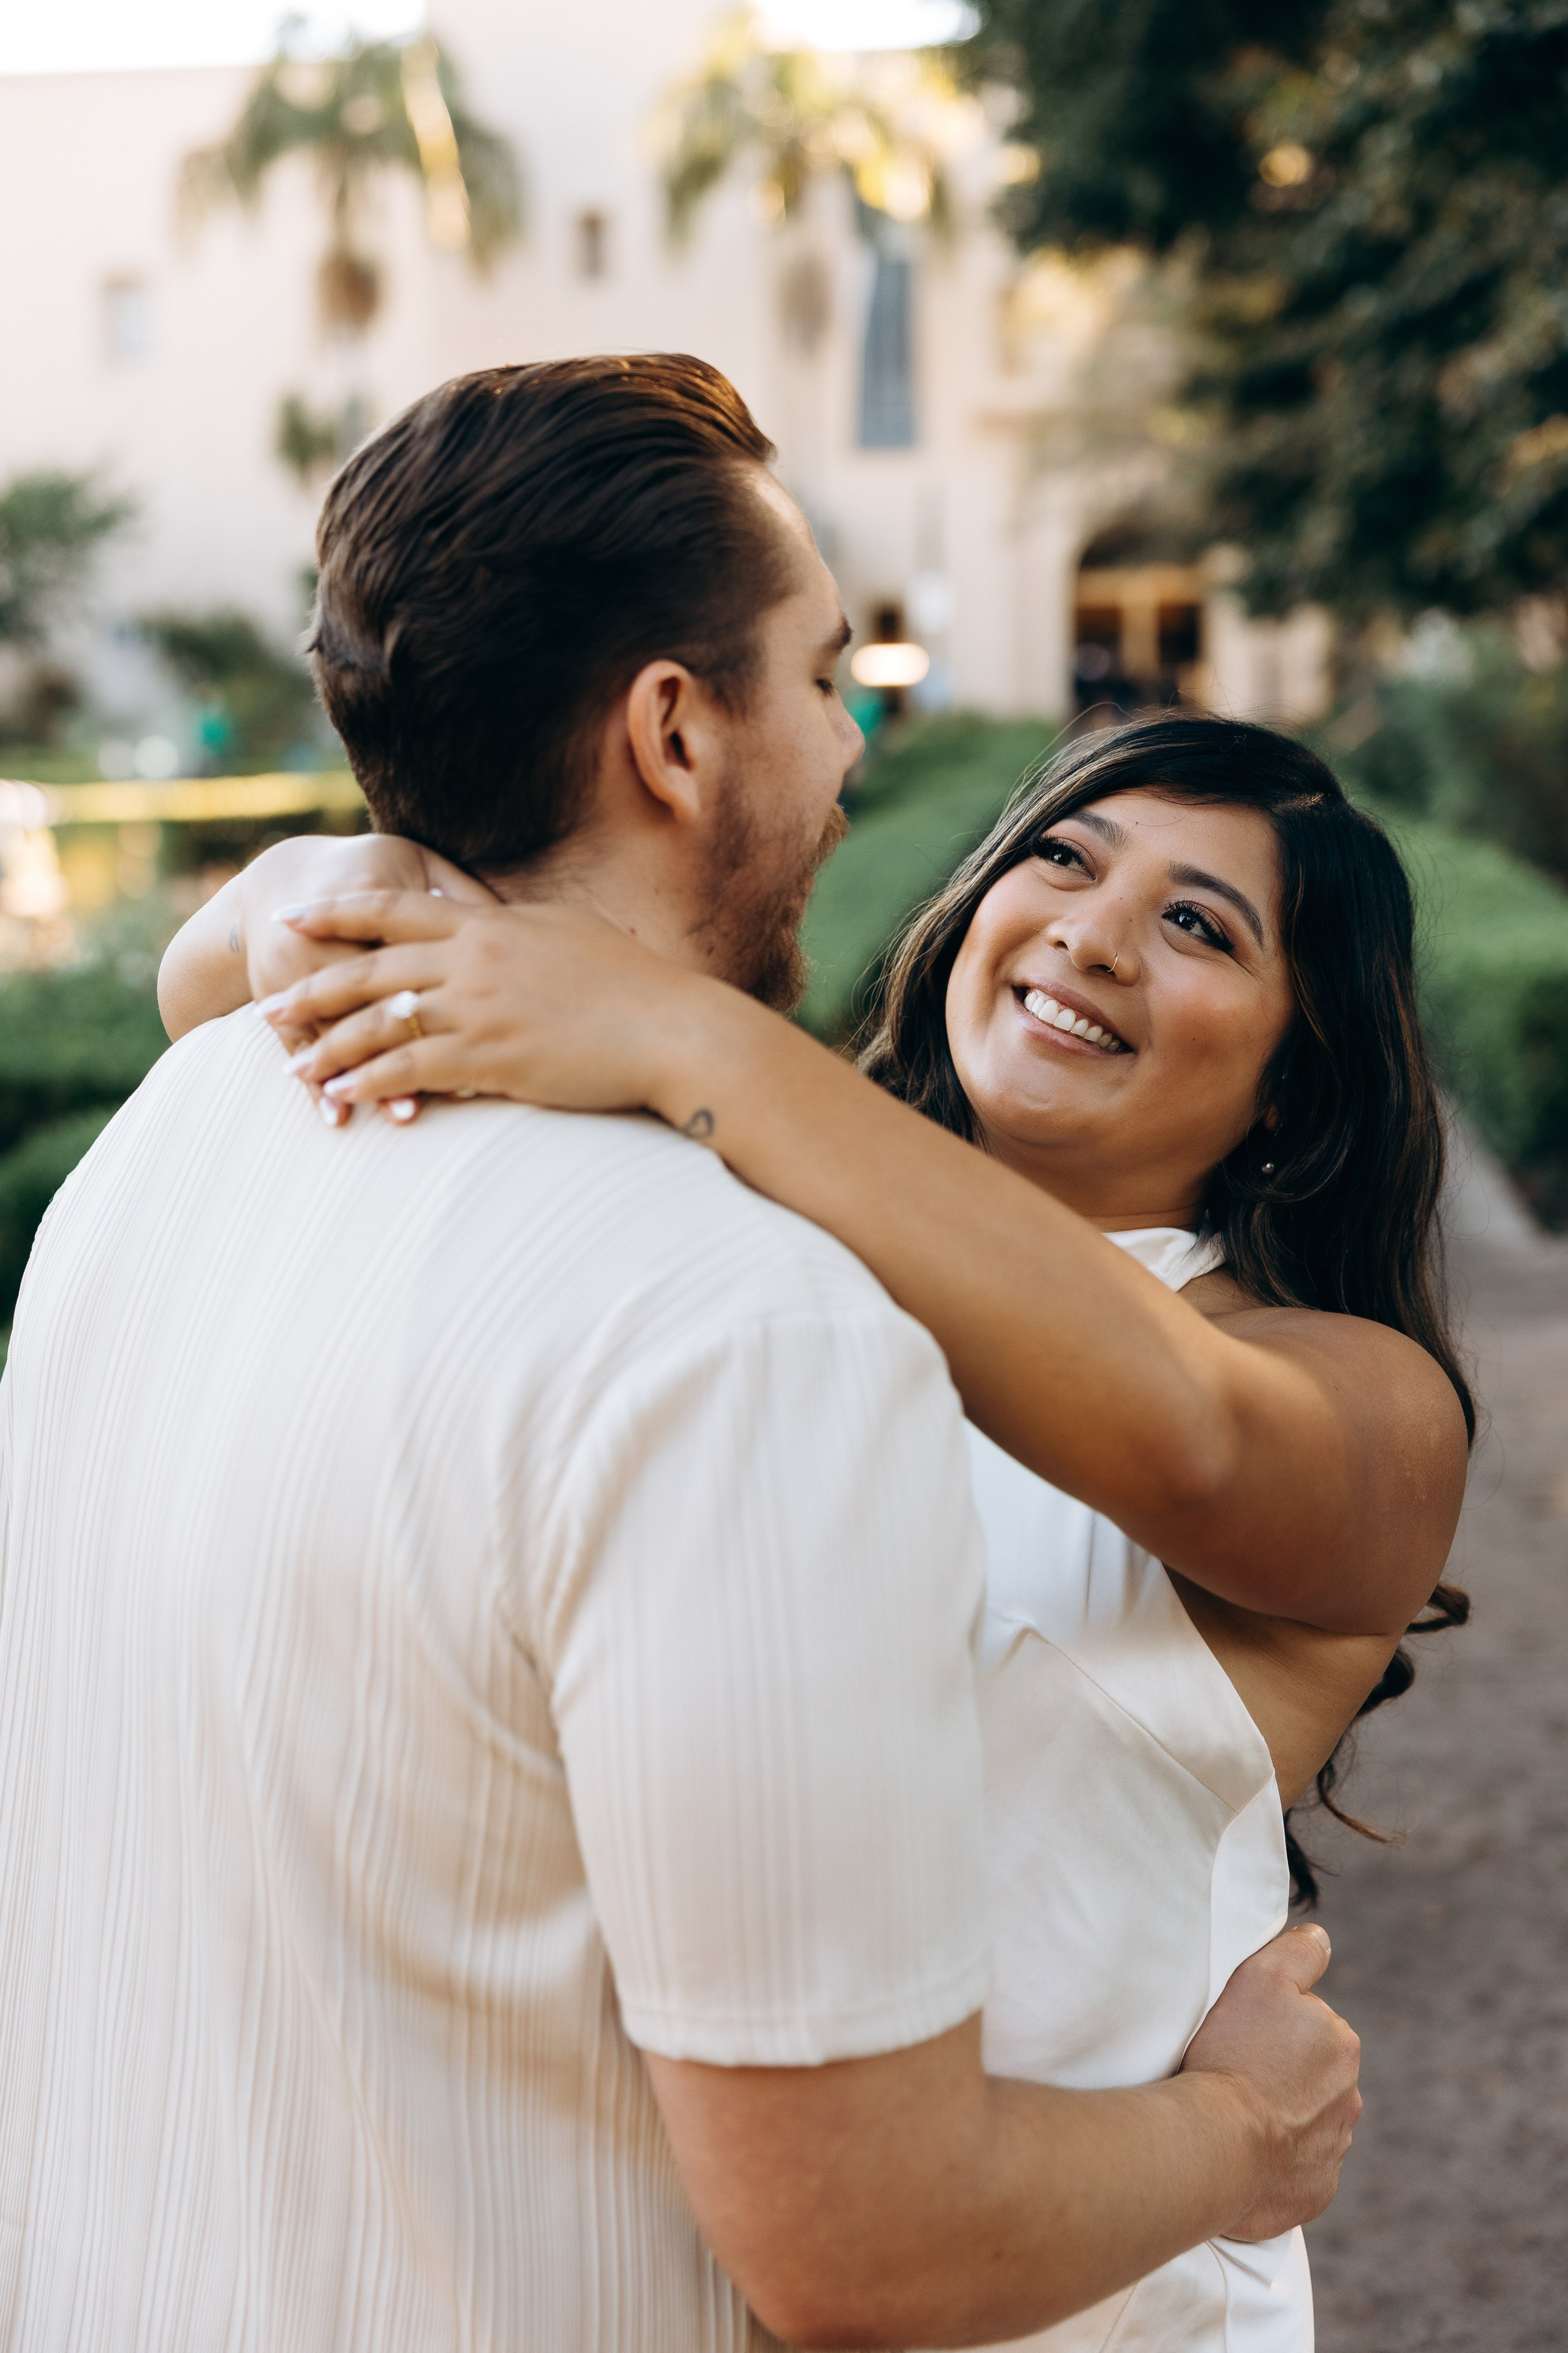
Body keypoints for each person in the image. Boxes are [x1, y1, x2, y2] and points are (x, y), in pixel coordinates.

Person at [0, 359, 1360, 2353]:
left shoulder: (165, 1141)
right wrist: (1246, 2134)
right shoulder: (752, 1334)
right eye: (825, 681)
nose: (848, 748)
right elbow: (870, 2246)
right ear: (673, 732)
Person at [182, 709, 1474, 2351]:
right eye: (1063, 858)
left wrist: (679, 1031)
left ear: (1299, 1076)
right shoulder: (741, 1230)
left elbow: (1182, 1428)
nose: (1092, 930)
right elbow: (215, 982)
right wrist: (324, 876)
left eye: (1200, 923)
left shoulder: (1352, 1400)